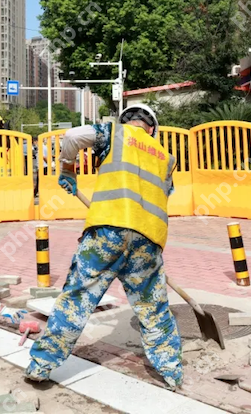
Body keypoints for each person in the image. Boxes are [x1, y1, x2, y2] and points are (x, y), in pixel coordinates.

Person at [25, 104, 182, 388]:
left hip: (107, 231)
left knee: (76, 301)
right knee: (154, 309)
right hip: (148, 240)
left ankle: (41, 366)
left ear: (125, 120)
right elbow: (162, 196)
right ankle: (172, 371)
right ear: (153, 130)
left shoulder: (113, 132)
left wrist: (69, 170)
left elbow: (72, 137)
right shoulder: (167, 158)